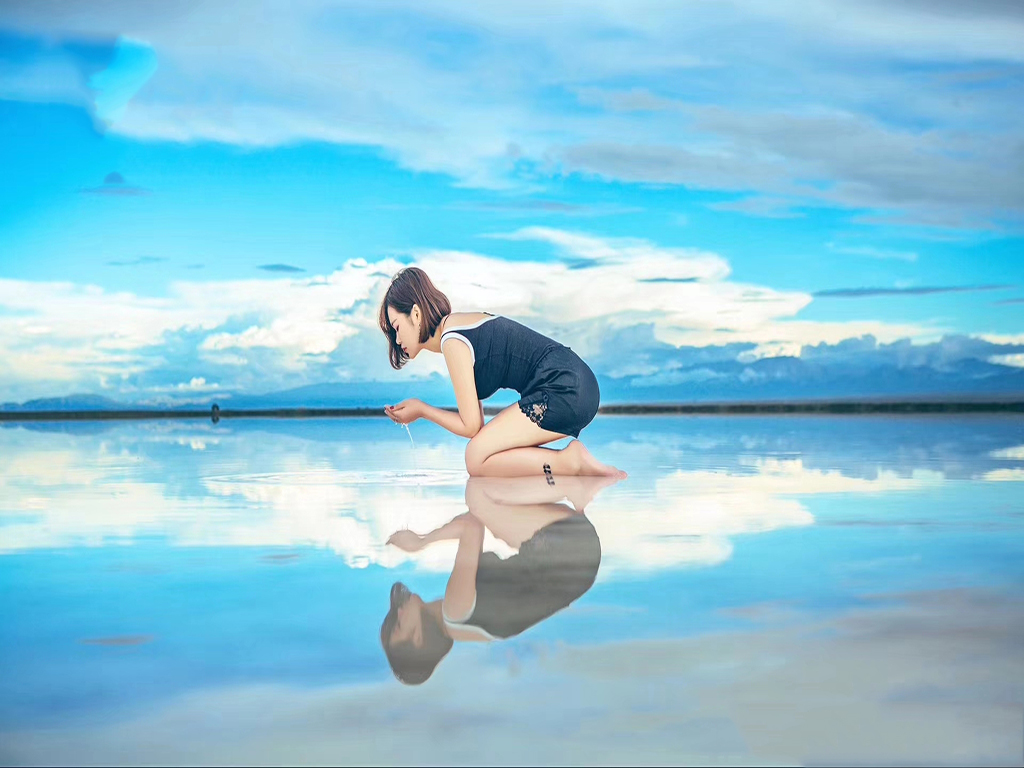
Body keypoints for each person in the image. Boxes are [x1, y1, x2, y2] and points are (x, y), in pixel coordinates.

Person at [378, 266, 626, 478]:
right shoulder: (458, 330)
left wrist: (422, 410)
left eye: (397, 327)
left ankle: (570, 462)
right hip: (580, 385)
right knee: (484, 452)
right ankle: (562, 469)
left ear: (416, 314)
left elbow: (470, 427)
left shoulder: (452, 340)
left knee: (475, 458)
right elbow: (477, 426)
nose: (397, 340)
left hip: (563, 387)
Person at [380, 473, 621, 685]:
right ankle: (571, 478)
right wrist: (422, 542)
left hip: (579, 562)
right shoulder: (455, 612)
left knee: (485, 471)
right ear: (420, 638)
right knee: (478, 494)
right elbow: (471, 526)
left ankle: (561, 471)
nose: (398, 613)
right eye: (400, 624)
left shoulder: (469, 630)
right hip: (569, 549)